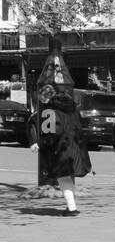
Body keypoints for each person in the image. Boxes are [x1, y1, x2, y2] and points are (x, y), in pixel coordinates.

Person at [28, 43, 92, 216]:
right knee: (66, 178)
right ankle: (71, 207)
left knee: (63, 178)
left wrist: (39, 144)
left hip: (62, 150)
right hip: (74, 148)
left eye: (41, 98)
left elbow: (50, 132)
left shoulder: (49, 111)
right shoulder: (70, 106)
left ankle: (72, 209)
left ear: (45, 98)